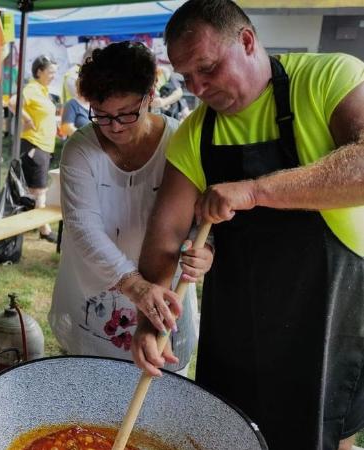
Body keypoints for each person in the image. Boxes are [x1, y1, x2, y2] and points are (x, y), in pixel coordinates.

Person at [131, 1, 364, 449]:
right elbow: (165, 235)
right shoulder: (196, 133)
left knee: (322, 435)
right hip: (237, 317)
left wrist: (256, 191)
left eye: (208, 68)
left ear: (248, 41)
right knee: (227, 432)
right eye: (186, 78)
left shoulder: (327, 77)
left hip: (329, 307)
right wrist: (149, 319)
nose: (198, 88)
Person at [48, 41, 211, 374]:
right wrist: (137, 287)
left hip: (165, 290)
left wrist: (205, 249)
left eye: (126, 114)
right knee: (90, 400)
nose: (116, 127)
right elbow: (83, 229)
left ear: (150, 96)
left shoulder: (179, 141)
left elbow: (198, 218)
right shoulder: (81, 149)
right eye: (103, 116)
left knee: (158, 402)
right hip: (98, 295)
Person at [17, 55, 59, 243]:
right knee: (39, 191)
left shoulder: (42, 90)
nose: (53, 76)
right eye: (50, 72)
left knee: (36, 190)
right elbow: (13, 103)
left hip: (43, 145)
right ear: (39, 71)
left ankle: (34, 224)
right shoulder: (31, 88)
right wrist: (26, 119)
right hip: (35, 144)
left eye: (54, 73)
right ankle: (44, 229)